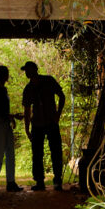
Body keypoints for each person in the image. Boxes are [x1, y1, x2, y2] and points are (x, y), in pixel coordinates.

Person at [21, 61, 65, 191]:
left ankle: (57, 180)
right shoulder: (28, 89)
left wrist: (58, 114)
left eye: (28, 70)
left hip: (52, 122)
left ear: (35, 69)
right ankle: (40, 181)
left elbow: (62, 96)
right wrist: (27, 128)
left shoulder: (48, 80)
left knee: (56, 151)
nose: (27, 73)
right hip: (37, 124)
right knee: (37, 153)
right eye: (25, 71)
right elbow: (27, 110)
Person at [0, 65, 23, 193]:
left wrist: (11, 118)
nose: (8, 75)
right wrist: (13, 116)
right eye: (7, 73)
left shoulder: (1, 89)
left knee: (10, 153)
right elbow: (0, 111)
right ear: (3, 76)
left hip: (4, 124)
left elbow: (3, 111)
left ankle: (10, 182)